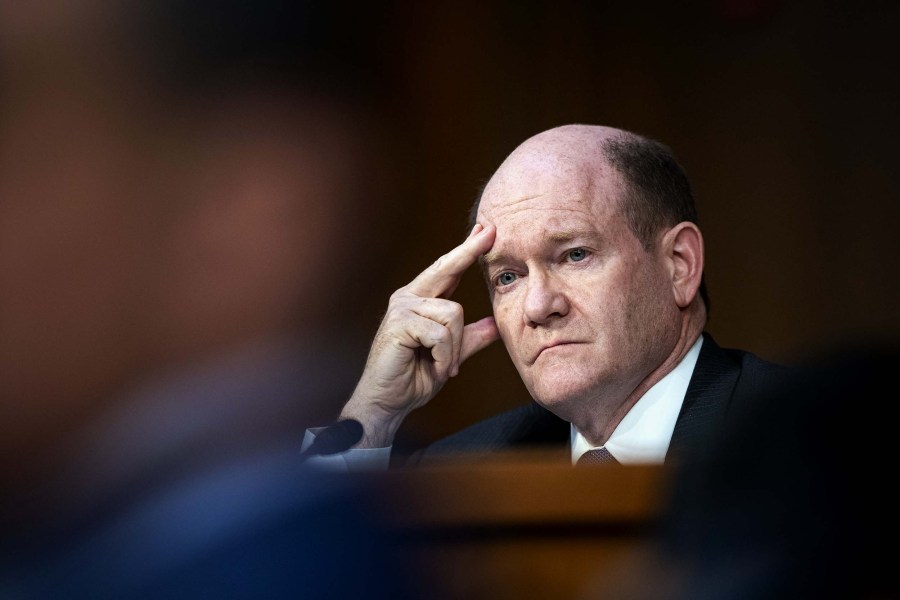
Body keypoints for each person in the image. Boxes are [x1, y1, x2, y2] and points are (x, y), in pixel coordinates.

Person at [307, 123, 785, 469]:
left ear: (679, 264)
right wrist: (373, 414)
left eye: (575, 255)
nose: (538, 307)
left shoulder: (809, 437)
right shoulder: (462, 470)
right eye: (507, 277)